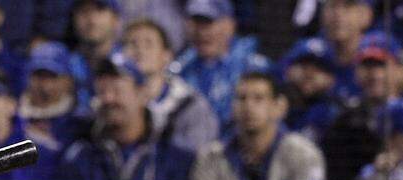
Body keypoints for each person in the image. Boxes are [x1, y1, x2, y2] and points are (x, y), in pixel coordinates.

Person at [54, 55, 194, 180]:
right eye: (102, 92)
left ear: (142, 93)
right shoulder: (80, 157)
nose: (109, 99)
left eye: (117, 91)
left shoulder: (176, 157)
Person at [190, 70, 326, 180]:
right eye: (242, 98)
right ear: (232, 107)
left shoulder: (304, 155)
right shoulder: (211, 157)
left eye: (259, 99)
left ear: (279, 107)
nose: (248, 107)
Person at [120, 17, 219, 154]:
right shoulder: (112, 102)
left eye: (148, 44)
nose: (139, 50)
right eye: (133, 44)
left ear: (166, 56)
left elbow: (196, 161)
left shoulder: (190, 105)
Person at [321, 31, 403, 180]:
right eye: (367, 66)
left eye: (381, 66)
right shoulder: (345, 122)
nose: (374, 74)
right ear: (356, 72)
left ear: (400, 71)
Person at [174, 0, 266, 128]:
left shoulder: (253, 66)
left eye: (208, 23)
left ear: (229, 25)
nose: (201, 32)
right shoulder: (180, 69)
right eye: (196, 23)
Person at [18, 41, 81, 151]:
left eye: (52, 77)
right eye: (39, 76)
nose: (45, 86)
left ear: (68, 81)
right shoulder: (12, 118)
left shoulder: (78, 123)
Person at [280, 38, 342, 145]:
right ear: (288, 70)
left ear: (331, 79)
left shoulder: (335, 115)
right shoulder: (275, 106)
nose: (309, 74)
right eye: (303, 65)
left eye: (318, 68)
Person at [66, 0, 121, 111]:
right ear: (73, 19)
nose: (92, 20)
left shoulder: (131, 66)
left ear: (116, 19)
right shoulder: (63, 66)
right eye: (84, 12)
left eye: (100, 10)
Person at [315, 0, 374, 101]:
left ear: (365, 16)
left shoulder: (381, 53)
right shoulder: (309, 54)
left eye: (348, 7)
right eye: (332, 6)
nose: (338, 14)